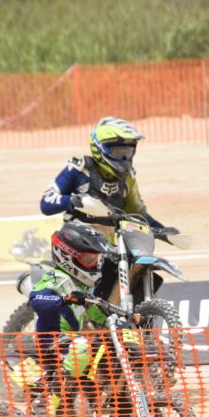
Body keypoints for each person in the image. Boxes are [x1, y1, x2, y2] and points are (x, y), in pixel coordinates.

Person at [39, 116, 168, 300]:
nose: (123, 158)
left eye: (127, 153)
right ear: (99, 148)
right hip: (74, 245)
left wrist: (162, 230)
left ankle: (121, 312)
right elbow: (46, 202)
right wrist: (74, 200)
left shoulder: (128, 177)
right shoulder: (79, 169)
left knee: (136, 266)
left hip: (110, 247)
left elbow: (137, 213)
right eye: (117, 152)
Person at [27, 220, 113, 417]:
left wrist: (118, 318)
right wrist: (64, 299)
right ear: (68, 256)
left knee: (102, 347)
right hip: (51, 340)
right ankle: (46, 403)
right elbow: (36, 299)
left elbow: (96, 312)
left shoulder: (82, 285)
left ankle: (83, 399)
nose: (94, 264)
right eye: (89, 259)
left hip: (70, 341)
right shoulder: (55, 278)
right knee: (82, 345)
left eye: (96, 259)